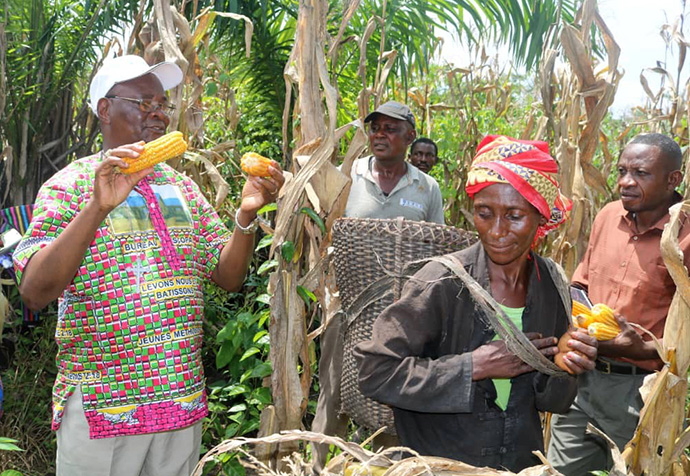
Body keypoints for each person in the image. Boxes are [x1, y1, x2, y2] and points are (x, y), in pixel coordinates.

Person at [12, 55, 284, 476]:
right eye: (143, 103)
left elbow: (228, 278)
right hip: (105, 406)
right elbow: (34, 290)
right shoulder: (70, 185)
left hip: (180, 400)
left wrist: (246, 216)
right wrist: (97, 208)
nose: (158, 113)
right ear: (105, 109)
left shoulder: (182, 188)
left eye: (162, 104)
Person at [354, 135, 598, 472]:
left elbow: (553, 401)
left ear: (541, 219)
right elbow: (375, 372)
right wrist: (474, 366)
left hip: (517, 463)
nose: (496, 231)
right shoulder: (439, 282)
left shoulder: (552, 285)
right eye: (485, 214)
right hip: (441, 464)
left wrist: (564, 365)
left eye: (514, 216)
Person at [547, 133, 690, 476]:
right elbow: (580, 283)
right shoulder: (607, 217)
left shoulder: (685, 238)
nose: (625, 182)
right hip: (581, 377)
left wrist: (640, 348)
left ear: (673, 180)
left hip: (639, 393)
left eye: (640, 173)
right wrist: (580, 320)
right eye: (622, 170)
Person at [311, 101, 444, 469]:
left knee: (389, 397)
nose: (380, 135)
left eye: (391, 129)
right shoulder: (347, 175)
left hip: (403, 314)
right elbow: (322, 230)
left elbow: (436, 249)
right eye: (375, 128)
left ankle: (383, 465)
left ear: (409, 137)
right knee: (333, 389)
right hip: (348, 305)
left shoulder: (426, 188)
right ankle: (317, 464)